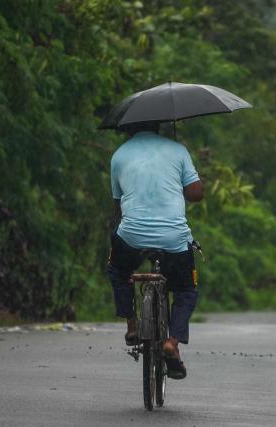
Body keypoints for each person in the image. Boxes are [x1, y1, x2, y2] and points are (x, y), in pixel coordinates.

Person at [107, 121, 203, 380]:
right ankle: (172, 342)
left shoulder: (119, 155)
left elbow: (118, 205)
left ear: (129, 129)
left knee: (118, 270)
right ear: (159, 126)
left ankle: (131, 325)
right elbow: (196, 193)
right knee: (185, 289)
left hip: (131, 238)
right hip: (173, 240)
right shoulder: (178, 150)